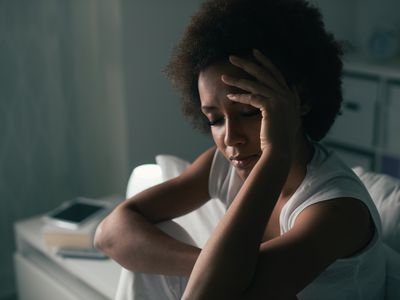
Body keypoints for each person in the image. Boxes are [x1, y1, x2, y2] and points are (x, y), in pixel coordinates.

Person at [94, 0, 386, 299]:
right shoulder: (222, 165)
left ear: (301, 101)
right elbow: (108, 234)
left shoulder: (336, 211)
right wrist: (208, 265)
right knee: (155, 245)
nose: (230, 138)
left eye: (248, 112)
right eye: (216, 119)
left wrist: (276, 155)